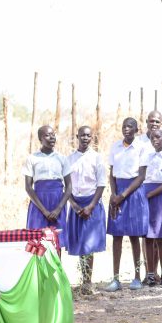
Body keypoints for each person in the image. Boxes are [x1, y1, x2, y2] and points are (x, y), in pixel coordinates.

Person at [106, 118, 149, 292]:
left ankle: (137, 277)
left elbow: (141, 176)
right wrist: (114, 194)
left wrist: (123, 195)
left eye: (130, 126)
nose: (126, 129)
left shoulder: (142, 147)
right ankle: (115, 278)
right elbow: (112, 174)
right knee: (116, 235)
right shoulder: (115, 147)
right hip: (118, 192)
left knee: (134, 236)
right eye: (124, 126)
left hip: (133, 192)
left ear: (137, 129)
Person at [64, 126, 106, 294]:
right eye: (82, 135)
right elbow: (66, 185)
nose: (85, 138)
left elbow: (101, 184)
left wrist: (90, 207)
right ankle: (82, 279)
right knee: (80, 244)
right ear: (77, 137)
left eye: (88, 135)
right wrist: (73, 205)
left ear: (91, 138)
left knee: (89, 245)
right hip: (75, 204)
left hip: (91, 203)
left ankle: (87, 281)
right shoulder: (68, 160)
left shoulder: (97, 158)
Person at [141, 129, 162, 286]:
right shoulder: (147, 156)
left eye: (158, 137)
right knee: (148, 237)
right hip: (146, 195)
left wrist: (151, 194)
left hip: (159, 197)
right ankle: (150, 273)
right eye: (152, 137)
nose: (155, 139)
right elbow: (141, 177)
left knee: (160, 238)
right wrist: (144, 194)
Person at [24, 125, 71, 233]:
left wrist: (59, 208)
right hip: (39, 202)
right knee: (37, 239)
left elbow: (69, 187)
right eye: (47, 135)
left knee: (58, 238)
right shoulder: (32, 159)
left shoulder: (62, 158)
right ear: (40, 139)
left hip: (58, 202)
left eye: (53, 134)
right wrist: (44, 211)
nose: (52, 137)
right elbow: (28, 187)